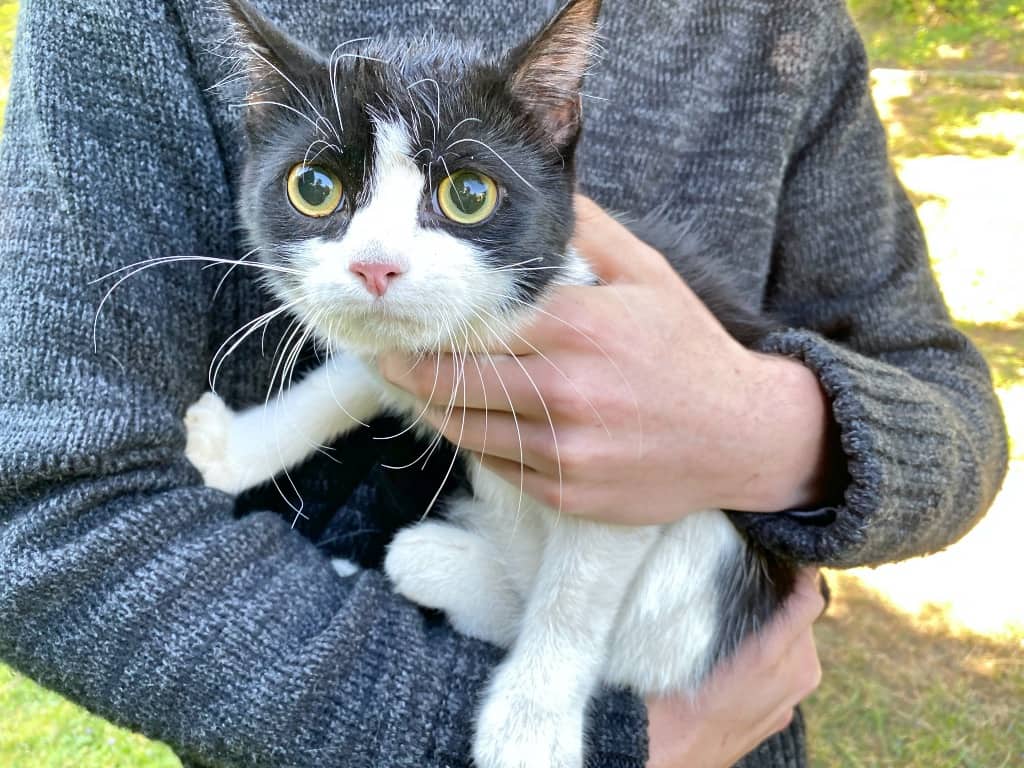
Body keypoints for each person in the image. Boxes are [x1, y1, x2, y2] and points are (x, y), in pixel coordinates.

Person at [0, 1, 1007, 767]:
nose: (379, 265)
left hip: (696, 647)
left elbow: (944, 399)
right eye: (315, 188)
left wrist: (764, 429)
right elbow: (47, 511)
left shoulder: (779, 23)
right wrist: (623, 741)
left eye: (466, 192)